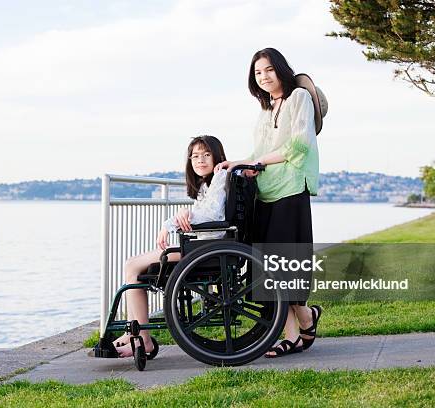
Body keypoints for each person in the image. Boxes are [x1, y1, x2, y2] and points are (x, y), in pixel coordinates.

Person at [216, 48, 325, 357]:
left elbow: (300, 145)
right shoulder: (266, 108)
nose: (263, 77)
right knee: (272, 268)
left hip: (291, 187)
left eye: (268, 70)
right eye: (257, 73)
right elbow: (259, 150)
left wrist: (260, 161)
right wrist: (237, 163)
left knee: (286, 263)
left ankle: (301, 324)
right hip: (265, 190)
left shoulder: (298, 98)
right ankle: (299, 325)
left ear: (280, 69)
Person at [114, 135, 228, 357]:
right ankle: (135, 333)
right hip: (203, 246)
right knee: (133, 267)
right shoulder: (209, 182)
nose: (200, 160)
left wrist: (174, 220)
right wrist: (182, 216)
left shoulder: (220, 177)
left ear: (217, 157)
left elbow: (213, 214)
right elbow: (204, 214)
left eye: (206, 155)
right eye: (195, 156)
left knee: (132, 266)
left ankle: (141, 338)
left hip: (207, 249)